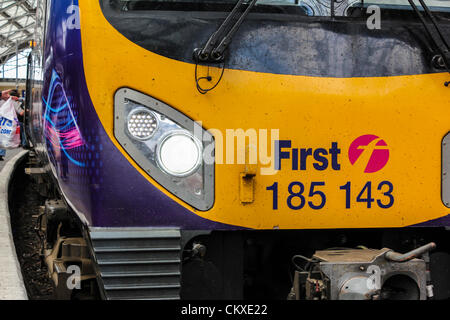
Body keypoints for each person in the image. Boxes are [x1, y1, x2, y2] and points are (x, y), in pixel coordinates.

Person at [0, 89, 21, 161]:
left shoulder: (1, 101)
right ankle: (1, 153)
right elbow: (21, 112)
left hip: (1, 121)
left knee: (2, 135)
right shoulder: (13, 102)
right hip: (8, 123)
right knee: (5, 136)